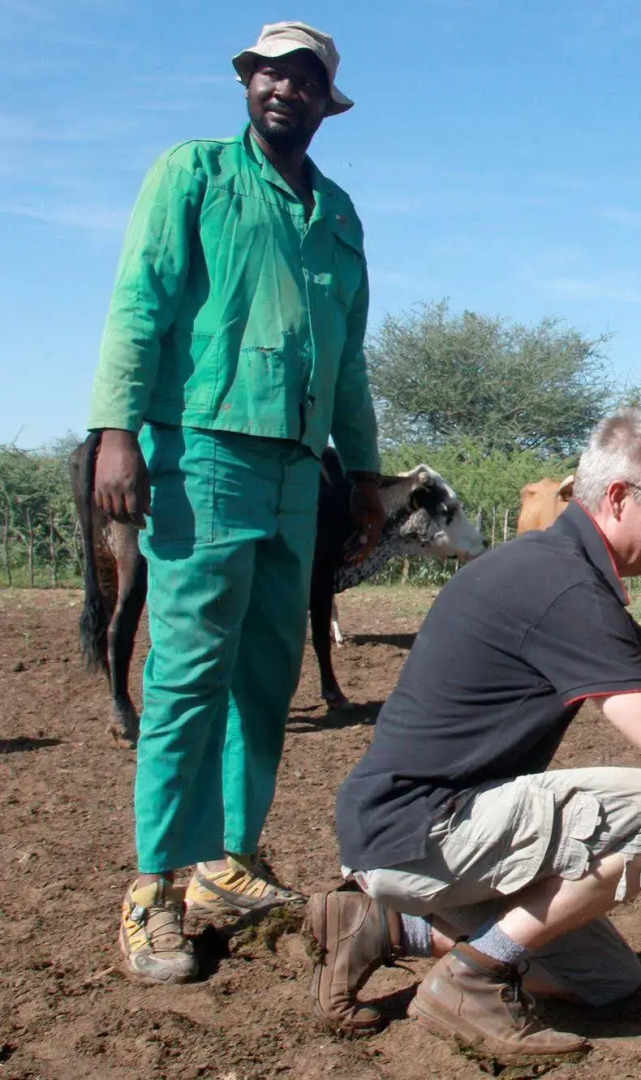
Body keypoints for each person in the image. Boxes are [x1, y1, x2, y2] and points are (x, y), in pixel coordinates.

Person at [312, 410, 641, 1060]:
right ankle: (474, 977)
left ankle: (388, 927)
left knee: (605, 979)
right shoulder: (563, 589)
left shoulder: (560, 568)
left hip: (417, 833)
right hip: (420, 830)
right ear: (622, 498)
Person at [86, 21, 385, 985]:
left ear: (325, 102)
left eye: (304, 80)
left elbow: (350, 368)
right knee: (185, 678)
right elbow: (141, 301)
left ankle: (231, 863)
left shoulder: (338, 214)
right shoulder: (197, 174)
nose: (283, 90)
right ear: (247, 83)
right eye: (269, 73)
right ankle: (154, 889)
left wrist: (368, 474)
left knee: (265, 674)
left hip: (300, 471)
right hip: (202, 452)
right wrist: (117, 430)